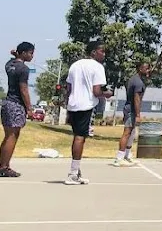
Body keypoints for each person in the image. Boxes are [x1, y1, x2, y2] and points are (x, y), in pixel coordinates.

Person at [64, 41, 110, 185]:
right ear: (93, 52)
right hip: (86, 105)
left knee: (77, 136)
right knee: (80, 137)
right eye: (101, 51)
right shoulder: (98, 67)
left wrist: (67, 105)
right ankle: (72, 174)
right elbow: (96, 91)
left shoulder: (75, 65)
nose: (104, 54)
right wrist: (107, 94)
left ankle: (76, 172)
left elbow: (68, 87)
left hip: (73, 104)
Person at [0, 42, 35, 178]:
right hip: (16, 104)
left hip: (7, 102)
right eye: (30, 53)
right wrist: (29, 108)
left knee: (8, 136)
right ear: (23, 53)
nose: (32, 56)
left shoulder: (9, 65)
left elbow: (12, 59)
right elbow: (24, 89)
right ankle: (4, 167)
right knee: (12, 136)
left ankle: (2, 165)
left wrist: (14, 55)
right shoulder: (23, 69)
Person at [113, 61, 149, 167]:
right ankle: (119, 158)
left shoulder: (135, 79)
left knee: (132, 133)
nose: (148, 70)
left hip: (131, 110)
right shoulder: (138, 82)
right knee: (127, 133)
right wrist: (138, 115)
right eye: (146, 68)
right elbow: (136, 99)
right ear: (139, 69)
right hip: (131, 110)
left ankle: (127, 156)